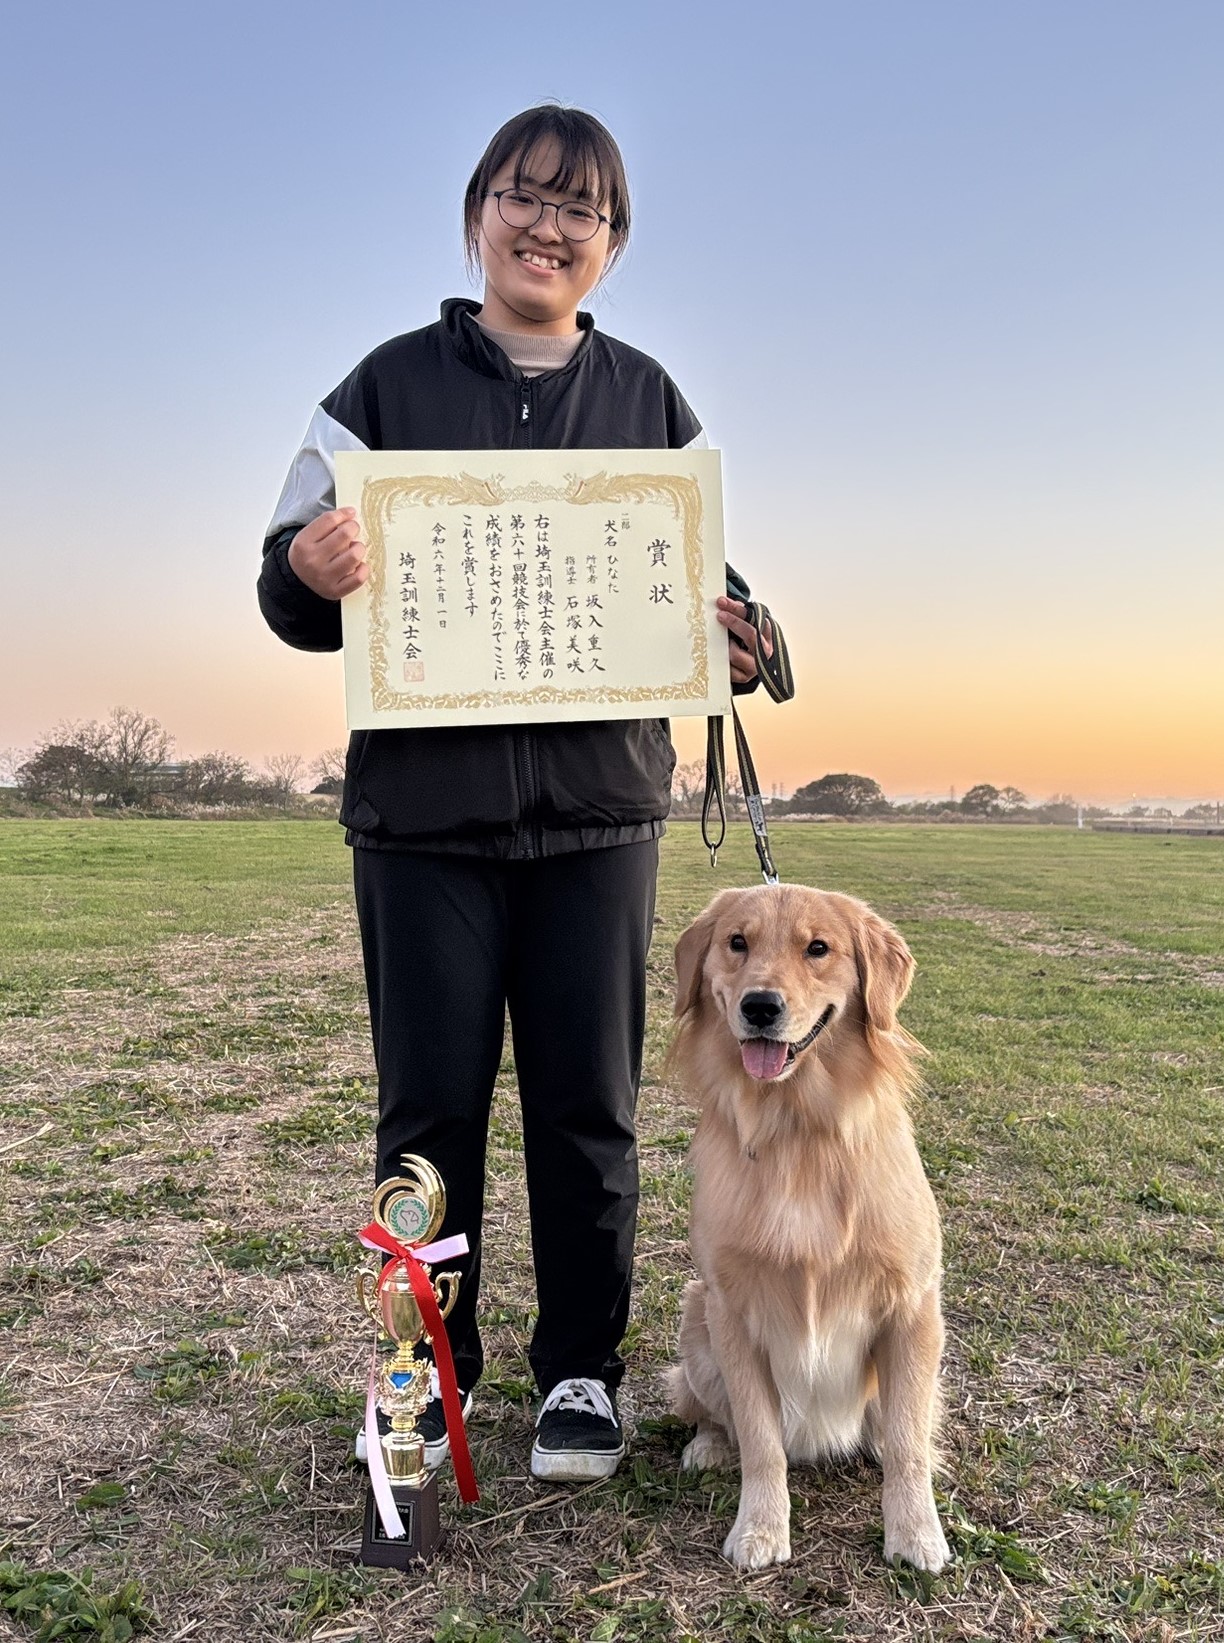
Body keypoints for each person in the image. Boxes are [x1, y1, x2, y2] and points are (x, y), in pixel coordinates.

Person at [258, 104, 770, 1483]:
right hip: (422, 824)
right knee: (425, 1110)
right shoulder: (376, 389)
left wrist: (746, 633)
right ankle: (416, 1376)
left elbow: (712, 585)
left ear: (612, 245)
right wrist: (305, 573)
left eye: (581, 210)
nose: (549, 227)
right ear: (477, 211)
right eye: (524, 196)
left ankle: (579, 1379)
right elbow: (285, 583)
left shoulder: (653, 402)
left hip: (599, 820)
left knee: (587, 1105)